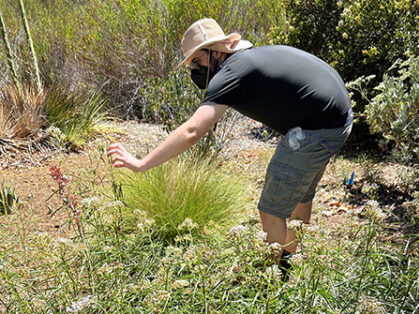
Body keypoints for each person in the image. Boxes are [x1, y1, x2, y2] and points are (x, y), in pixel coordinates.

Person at [107, 18, 352, 269]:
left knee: (271, 209)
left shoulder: (231, 72)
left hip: (316, 129)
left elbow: (193, 130)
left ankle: (272, 280)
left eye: (197, 62)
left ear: (215, 52)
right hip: (339, 118)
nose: (195, 70)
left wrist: (141, 163)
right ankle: (290, 263)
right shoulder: (247, 61)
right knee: (300, 197)